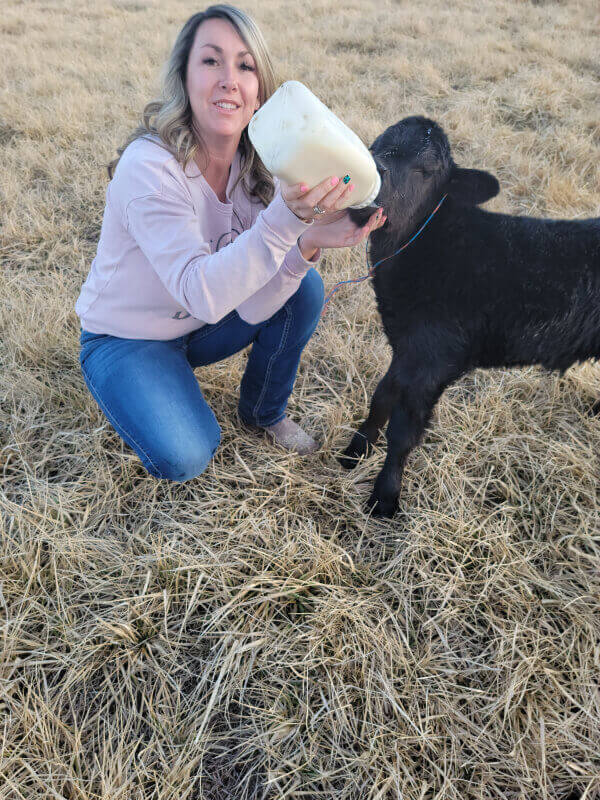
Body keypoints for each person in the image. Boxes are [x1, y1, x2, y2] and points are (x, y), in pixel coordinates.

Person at [75, 4, 386, 483]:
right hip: (127, 339)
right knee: (187, 454)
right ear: (184, 76)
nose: (229, 79)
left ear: (260, 90)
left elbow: (251, 280)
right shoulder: (150, 167)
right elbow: (201, 290)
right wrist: (287, 222)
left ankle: (263, 413)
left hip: (201, 324)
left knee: (303, 288)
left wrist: (307, 242)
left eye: (245, 66)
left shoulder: (262, 164)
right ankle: (138, 383)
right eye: (211, 61)